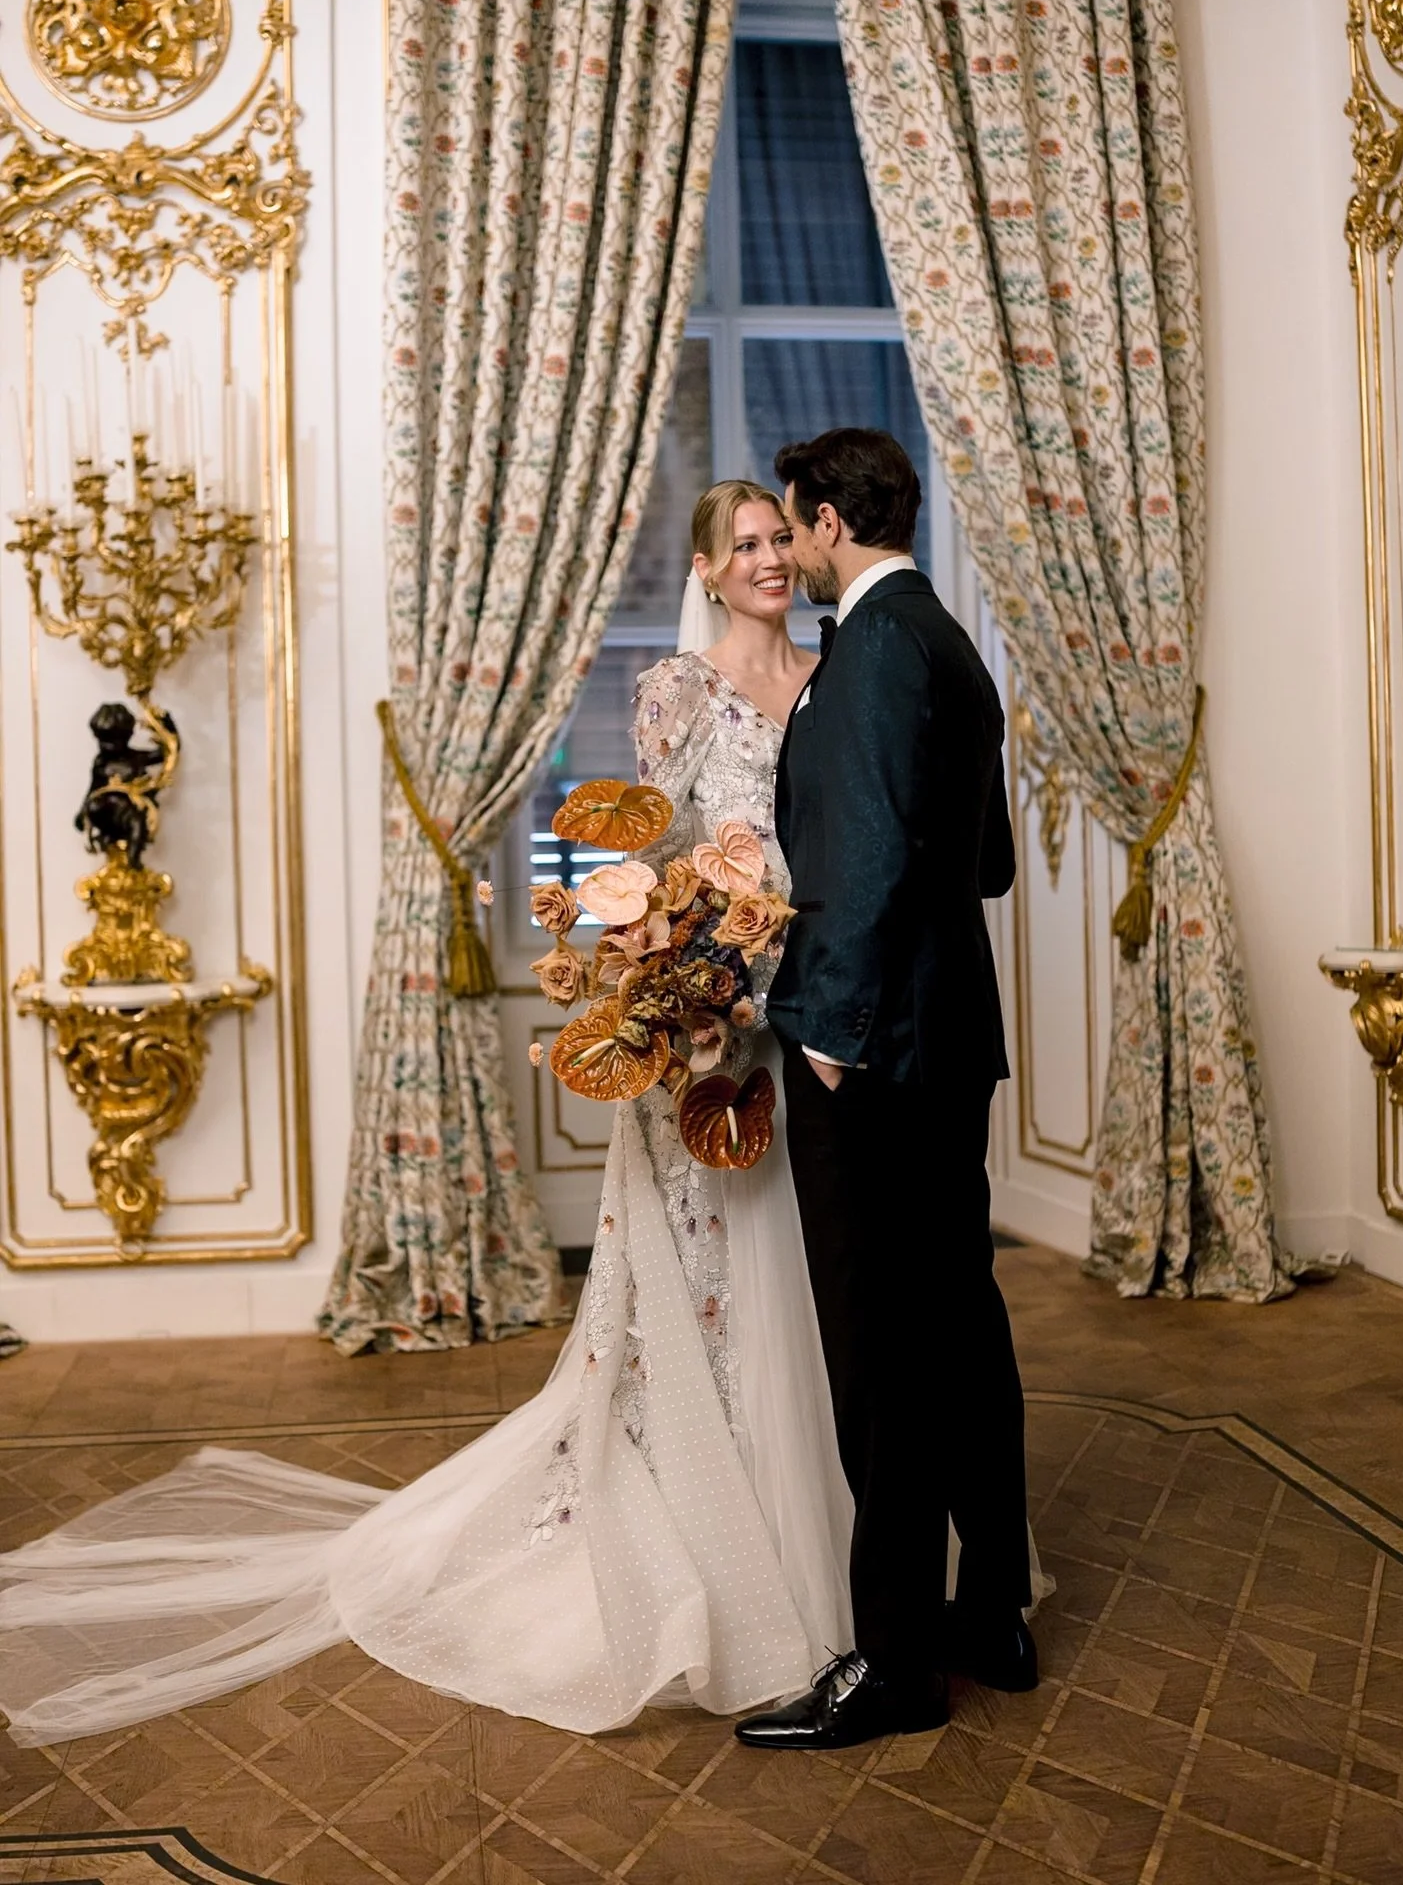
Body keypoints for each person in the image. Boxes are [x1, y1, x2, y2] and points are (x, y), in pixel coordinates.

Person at [0, 480, 856, 1747]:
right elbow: (657, 859)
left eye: (779, 536)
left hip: (810, 1028)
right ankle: (694, 1538)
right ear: (708, 571)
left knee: (802, 1286)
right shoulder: (676, 687)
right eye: (743, 545)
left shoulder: (832, 672)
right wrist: (681, 984)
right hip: (706, 1031)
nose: (769, 557)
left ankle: (821, 1541)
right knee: (706, 1285)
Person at [736, 429, 1035, 1753]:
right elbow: (988, 862)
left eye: (793, 532)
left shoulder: (863, 654)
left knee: (879, 1359)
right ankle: (994, 1612)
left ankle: (896, 1663)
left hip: (874, 1055)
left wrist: (831, 1036)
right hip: (951, 1039)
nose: (789, 554)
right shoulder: (952, 645)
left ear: (826, 522)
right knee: (962, 1326)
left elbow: (857, 861)